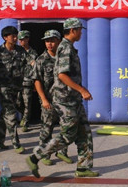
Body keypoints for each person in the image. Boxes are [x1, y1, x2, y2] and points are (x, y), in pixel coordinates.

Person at [25, 18, 99, 178]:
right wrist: (82, 90)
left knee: (84, 133)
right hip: (65, 99)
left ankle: (83, 168)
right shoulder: (65, 48)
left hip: (73, 99)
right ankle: (35, 156)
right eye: (79, 30)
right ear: (73, 30)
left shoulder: (68, 47)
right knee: (68, 134)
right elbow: (62, 75)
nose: (81, 33)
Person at [25, 30, 72, 168]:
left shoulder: (64, 58)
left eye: (52, 40)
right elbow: (37, 81)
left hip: (64, 99)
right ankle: (45, 154)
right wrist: (44, 99)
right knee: (47, 129)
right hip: (49, 101)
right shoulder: (41, 60)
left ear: (59, 41)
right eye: (47, 41)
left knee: (66, 128)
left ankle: (62, 152)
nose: (49, 44)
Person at [0, 25, 27, 153]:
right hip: (3, 88)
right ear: (5, 37)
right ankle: (16, 143)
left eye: (16, 36)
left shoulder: (21, 51)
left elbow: (26, 67)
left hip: (16, 87)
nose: (15, 38)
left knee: (5, 113)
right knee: (11, 114)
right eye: (13, 36)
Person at [18, 30, 38, 133]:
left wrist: (35, 82)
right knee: (17, 102)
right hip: (17, 82)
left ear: (27, 39)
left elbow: (34, 66)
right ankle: (24, 116)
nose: (21, 41)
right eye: (20, 39)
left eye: (23, 39)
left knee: (27, 103)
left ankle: (25, 122)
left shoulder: (32, 52)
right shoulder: (16, 51)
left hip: (28, 82)